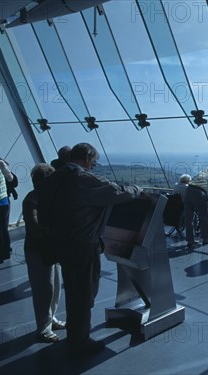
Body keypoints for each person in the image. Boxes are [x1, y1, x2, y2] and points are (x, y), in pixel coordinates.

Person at [38, 143, 141, 356]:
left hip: (63, 242)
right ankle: (80, 341)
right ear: (86, 157)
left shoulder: (55, 178)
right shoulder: (82, 178)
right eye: (93, 161)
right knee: (84, 292)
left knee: (75, 290)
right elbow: (115, 192)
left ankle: (76, 336)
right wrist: (136, 189)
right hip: (82, 244)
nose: (94, 165)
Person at [23, 163, 65, 343]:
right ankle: (43, 328)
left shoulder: (41, 198)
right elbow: (35, 228)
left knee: (54, 287)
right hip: (38, 250)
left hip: (49, 249)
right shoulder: (32, 200)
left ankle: (50, 319)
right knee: (44, 290)